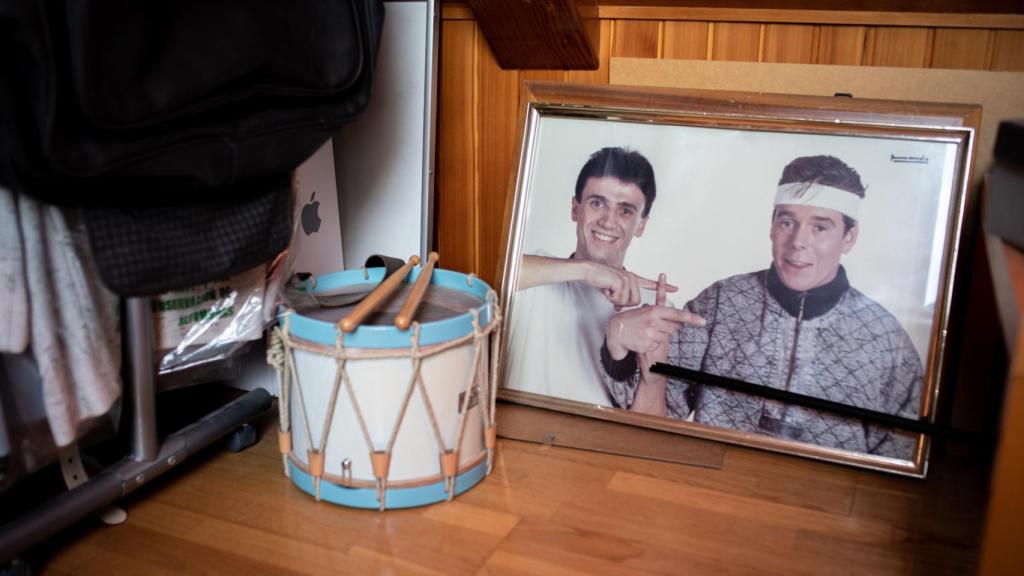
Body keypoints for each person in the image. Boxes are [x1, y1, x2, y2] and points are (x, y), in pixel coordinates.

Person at [600, 155, 924, 459]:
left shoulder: (886, 342)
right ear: (771, 226)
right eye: (787, 222)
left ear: (850, 237)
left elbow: (902, 462)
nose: (798, 240)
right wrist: (619, 345)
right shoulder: (720, 304)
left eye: (820, 227)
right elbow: (650, 421)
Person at [504, 146, 703, 406]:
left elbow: (651, 433)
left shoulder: (656, 312)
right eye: (597, 203)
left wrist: (651, 374)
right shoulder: (536, 279)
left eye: (626, 210)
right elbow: (482, 272)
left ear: (641, 225)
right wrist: (587, 270)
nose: (608, 222)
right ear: (575, 209)